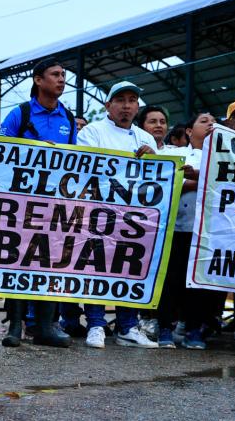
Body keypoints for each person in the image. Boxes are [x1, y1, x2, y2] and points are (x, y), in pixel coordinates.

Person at [0, 58, 77, 348]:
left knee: (50, 262)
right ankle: (16, 326)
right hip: (21, 203)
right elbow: (1, 153)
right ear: (38, 80)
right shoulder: (19, 114)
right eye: (55, 74)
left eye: (63, 74)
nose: (61, 79)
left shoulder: (67, 118)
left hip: (54, 204)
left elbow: (74, 161)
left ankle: (45, 325)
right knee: (18, 261)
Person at [76, 81, 160, 349]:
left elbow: (159, 179)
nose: (126, 105)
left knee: (130, 266)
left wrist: (153, 159)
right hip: (100, 213)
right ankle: (96, 324)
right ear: (108, 105)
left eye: (132, 100)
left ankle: (127, 326)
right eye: (120, 100)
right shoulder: (92, 132)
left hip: (134, 217)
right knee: (96, 267)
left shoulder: (145, 138)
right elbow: (86, 167)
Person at [156, 112, 218, 350]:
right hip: (177, 229)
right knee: (171, 280)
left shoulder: (226, 156)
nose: (211, 124)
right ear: (189, 132)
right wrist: (201, 181)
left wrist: (192, 179)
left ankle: (195, 330)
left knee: (200, 284)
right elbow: (166, 182)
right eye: (204, 121)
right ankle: (165, 328)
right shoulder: (174, 153)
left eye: (214, 121)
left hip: (209, 232)